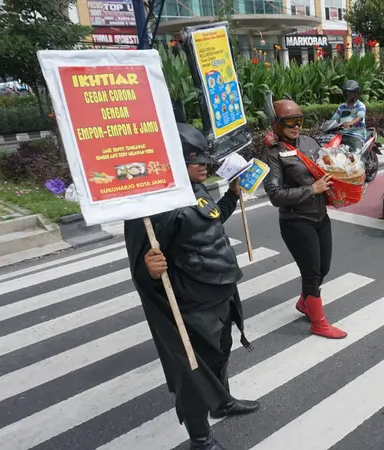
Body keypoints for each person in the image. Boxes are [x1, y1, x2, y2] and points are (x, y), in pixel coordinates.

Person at [124, 123, 260, 450]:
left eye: (204, 158)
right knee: (195, 372)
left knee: (220, 356)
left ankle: (223, 401)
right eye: (193, 158)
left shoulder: (195, 188)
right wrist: (149, 269)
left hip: (222, 289)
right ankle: (200, 439)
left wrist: (231, 197)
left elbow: (207, 223)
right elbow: (142, 265)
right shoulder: (155, 206)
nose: (204, 165)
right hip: (192, 303)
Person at [263, 96, 347, 340]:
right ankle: (318, 323)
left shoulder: (309, 142)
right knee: (311, 273)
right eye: (290, 122)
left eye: (299, 120)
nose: (296, 126)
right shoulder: (273, 153)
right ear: (277, 124)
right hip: (296, 221)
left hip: (320, 216)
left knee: (323, 268)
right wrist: (313, 190)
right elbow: (275, 195)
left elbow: (326, 166)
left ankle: (304, 303)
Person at [330, 80, 367, 153]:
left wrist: (351, 123)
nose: (348, 94)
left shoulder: (360, 105)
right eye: (347, 92)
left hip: (356, 135)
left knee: (356, 154)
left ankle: (360, 163)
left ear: (356, 93)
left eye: (351, 92)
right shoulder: (342, 107)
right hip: (342, 135)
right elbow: (334, 119)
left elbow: (360, 117)